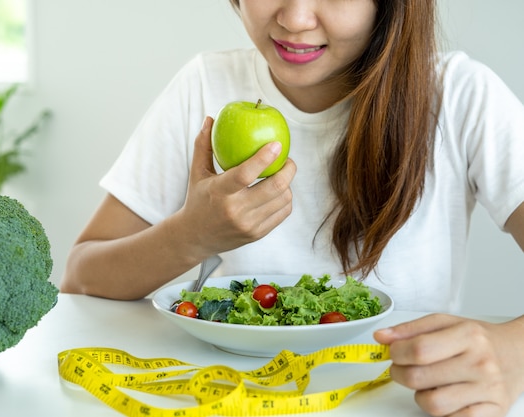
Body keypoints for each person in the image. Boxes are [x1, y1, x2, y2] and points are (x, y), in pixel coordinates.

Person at [61, 1, 524, 415]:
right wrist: (189, 237)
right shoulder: (205, 85)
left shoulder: (462, 96)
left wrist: (513, 352)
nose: (295, 18)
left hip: (400, 400)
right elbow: (82, 277)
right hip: (226, 399)